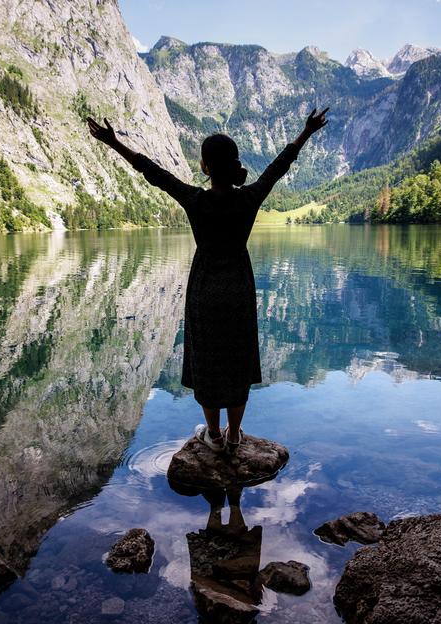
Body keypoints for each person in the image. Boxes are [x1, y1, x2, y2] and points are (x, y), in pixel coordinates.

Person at [87, 107, 330, 454]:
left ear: (204, 166)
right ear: (233, 164)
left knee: (208, 359)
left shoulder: (194, 199)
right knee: (238, 358)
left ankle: (213, 435)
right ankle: (235, 434)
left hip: (203, 289)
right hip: (238, 289)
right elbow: (279, 167)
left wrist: (113, 143)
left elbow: (153, 173)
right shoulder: (248, 197)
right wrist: (306, 132)